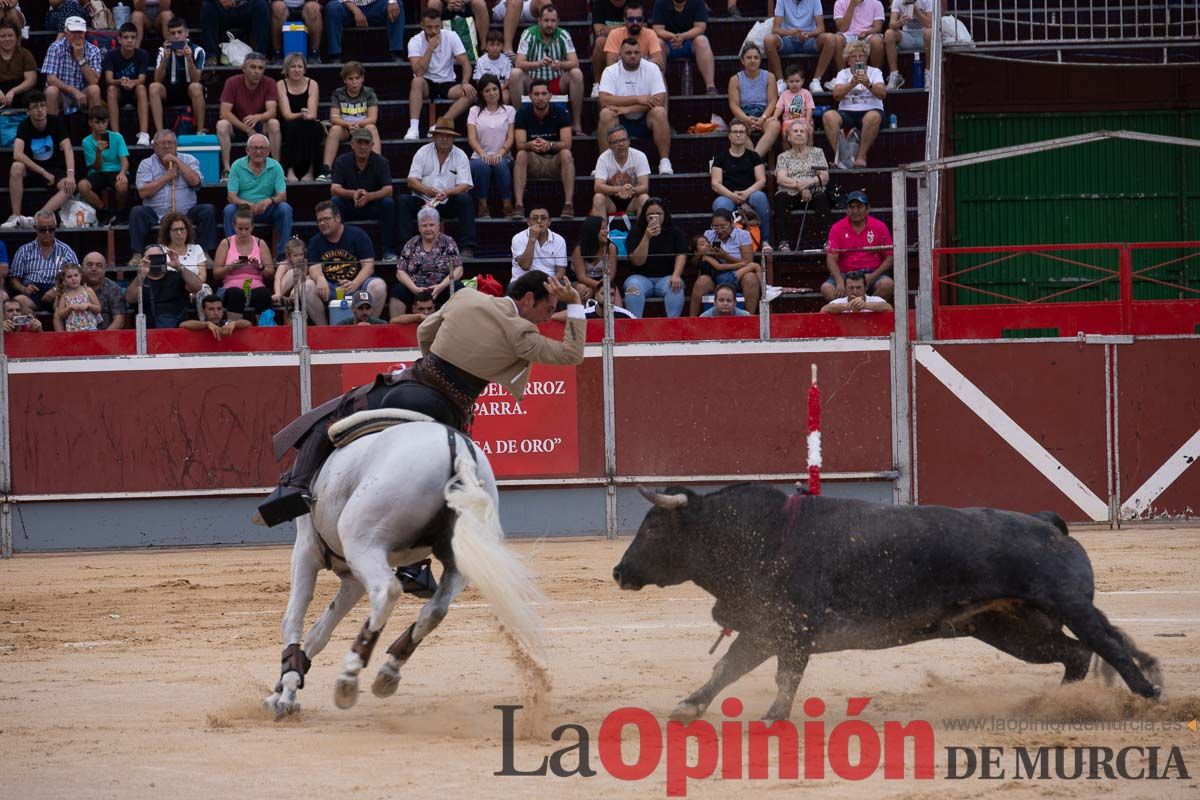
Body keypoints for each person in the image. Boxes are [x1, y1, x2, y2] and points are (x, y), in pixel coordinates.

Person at [256, 270, 586, 528]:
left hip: (411, 386)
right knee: (448, 487)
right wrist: (574, 304)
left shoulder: (466, 298)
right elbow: (572, 354)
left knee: (337, 414)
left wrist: (433, 367)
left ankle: (295, 486)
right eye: (549, 307)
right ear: (528, 299)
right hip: (449, 411)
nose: (548, 316)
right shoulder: (522, 334)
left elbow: (424, 332)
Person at [130, 130, 219, 261]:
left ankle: (205, 253)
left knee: (208, 210)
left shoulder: (189, 159)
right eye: (162, 143)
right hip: (156, 213)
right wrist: (166, 177)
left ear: (176, 145)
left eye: (170, 143)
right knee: (137, 212)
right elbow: (143, 192)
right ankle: (137, 254)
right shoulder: (146, 164)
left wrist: (177, 162)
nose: (166, 146)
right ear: (155, 147)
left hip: (186, 213)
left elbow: (196, 182)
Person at [399, 116, 477, 258]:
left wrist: (447, 192)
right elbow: (411, 180)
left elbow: (465, 184)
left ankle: (467, 246)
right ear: (434, 137)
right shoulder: (422, 152)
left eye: (448, 136)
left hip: (447, 202)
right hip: (423, 201)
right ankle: (407, 247)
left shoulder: (460, 155)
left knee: (465, 199)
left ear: (453, 138)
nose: (445, 139)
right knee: (403, 201)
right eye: (441, 135)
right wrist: (427, 191)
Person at [596, 37, 672, 174]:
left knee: (660, 112)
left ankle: (664, 162)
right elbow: (604, 100)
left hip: (645, 119)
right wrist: (638, 99)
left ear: (641, 54)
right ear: (620, 54)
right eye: (628, 53)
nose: (633, 56)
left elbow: (660, 100)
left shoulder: (652, 68)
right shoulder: (610, 71)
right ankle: (604, 163)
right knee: (606, 114)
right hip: (620, 121)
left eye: (636, 53)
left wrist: (628, 108)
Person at [303, 200, 386, 324]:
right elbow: (314, 268)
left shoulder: (357, 235)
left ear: (337, 218)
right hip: (331, 288)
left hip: (358, 286)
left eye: (326, 219)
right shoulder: (315, 241)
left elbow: (369, 267)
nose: (322, 223)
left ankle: (368, 326)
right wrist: (320, 278)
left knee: (378, 285)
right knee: (306, 286)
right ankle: (326, 333)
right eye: (319, 220)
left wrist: (354, 283)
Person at [509, 2, 584, 135]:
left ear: (558, 22)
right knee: (515, 74)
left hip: (556, 81)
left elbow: (575, 62)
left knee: (576, 74)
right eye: (546, 20)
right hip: (533, 81)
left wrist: (560, 64)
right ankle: (518, 121)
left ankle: (577, 124)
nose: (550, 24)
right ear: (539, 21)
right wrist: (538, 64)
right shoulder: (528, 34)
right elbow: (519, 63)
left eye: (553, 21)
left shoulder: (563, 35)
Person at [4, 91, 76, 228]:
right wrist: (42, 172)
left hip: (54, 169)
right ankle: (16, 217)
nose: (40, 110)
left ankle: (40, 216)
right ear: (28, 111)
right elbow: (17, 154)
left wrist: (71, 174)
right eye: (35, 107)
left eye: (43, 105)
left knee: (69, 185)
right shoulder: (24, 126)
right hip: (33, 169)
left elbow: (68, 148)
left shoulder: (55, 122)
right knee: (16, 167)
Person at [405, 8, 474, 137]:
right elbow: (419, 72)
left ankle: (440, 124)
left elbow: (466, 64)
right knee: (416, 81)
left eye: (437, 26)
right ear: (422, 25)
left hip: (447, 83)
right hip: (426, 82)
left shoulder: (451, 36)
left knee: (470, 93)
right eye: (429, 27)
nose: (434, 31)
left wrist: (465, 82)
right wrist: (430, 48)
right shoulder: (415, 41)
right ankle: (414, 129)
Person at [512, 78, 574, 219]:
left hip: (554, 161)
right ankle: (519, 205)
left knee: (566, 153)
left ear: (550, 95)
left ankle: (569, 204)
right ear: (530, 96)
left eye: (544, 94)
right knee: (521, 154)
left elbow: (567, 143)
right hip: (533, 161)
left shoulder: (561, 113)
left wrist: (550, 144)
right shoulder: (522, 113)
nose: (540, 98)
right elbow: (520, 144)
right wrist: (530, 144)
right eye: (536, 94)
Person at [223, 132, 293, 259]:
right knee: (229, 210)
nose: (259, 152)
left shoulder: (276, 166)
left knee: (285, 208)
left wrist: (270, 200)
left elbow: (282, 196)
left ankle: (283, 255)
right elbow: (231, 197)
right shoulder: (237, 165)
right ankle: (232, 252)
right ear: (247, 151)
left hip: (267, 210)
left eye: (262, 148)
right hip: (244, 210)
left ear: (268, 151)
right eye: (255, 148)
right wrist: (246, 204)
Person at [331, 128, 396, 260]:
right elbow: (334, 188)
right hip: (350, 204)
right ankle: (339, 251)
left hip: (373, 206)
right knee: (335, 202)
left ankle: (388, 251)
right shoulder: (342, 161)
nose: (362, 146)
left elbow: (389, 189)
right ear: (352, 145)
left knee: (388, 203)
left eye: (366, 143)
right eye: (359, 142)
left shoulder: (381, 162)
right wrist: (353, 194)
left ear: (372, 145)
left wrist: (369, 196)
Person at [822, 40, 887, 168]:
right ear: (848, 60)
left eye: (861, 56)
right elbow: (836, 95)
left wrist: (868, 83)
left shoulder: (875, 72)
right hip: (847, 112)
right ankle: (842, 158)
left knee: (872, 117)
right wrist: (851, 84)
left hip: (871, 109)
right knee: (829, 116)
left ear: (866, 58)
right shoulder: (843, 73)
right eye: (853, 56)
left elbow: (882, 94)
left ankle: (861, 157)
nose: (857, 59)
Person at [390, 206, 464, 316]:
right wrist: (414, 289)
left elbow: (458, 269)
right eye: (424, 225)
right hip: (416, 289)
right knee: (398, 291)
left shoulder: (448, 242)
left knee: (459, 289)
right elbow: (400, 272)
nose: (428, 229)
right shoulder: (412, 243)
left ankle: (457, 327)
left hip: (441, 288)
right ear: (419, 228)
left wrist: (441, 286)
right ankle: (395, 328)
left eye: (431, 225)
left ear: (438, 226)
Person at [823, 190, 895, 301]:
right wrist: (839, 281)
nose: (855, 210)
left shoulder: (880, 226)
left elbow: (889, 257)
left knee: (887, 284)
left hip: (872, 272)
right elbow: (831, 258)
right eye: (851, 207)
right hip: (845, 274)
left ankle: (868, 310)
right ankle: (847, 314)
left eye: (859, 206)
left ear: (868, 209)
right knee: (827, 288)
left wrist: (873, 275)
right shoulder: (837, 228)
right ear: (846, 210)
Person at [711, 119, 772, 250]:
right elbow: (715, 183)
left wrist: (746, 193)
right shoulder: (720, 157)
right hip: (728, 194)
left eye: (741, 132)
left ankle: (765, 241)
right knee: (720, 204)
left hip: (750, 193)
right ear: (729, 136)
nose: (738, 135)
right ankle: (726, 243)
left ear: (746, 135)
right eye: (735, 132)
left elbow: (761, 180)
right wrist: (732, 195)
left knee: (760, 197)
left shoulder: (754, 156)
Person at [216, 52, 280, 178]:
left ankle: (276, 167)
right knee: (222, 124)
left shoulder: (269, 82)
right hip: (238, 126)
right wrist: (247, 129)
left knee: (274, 123)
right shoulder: (232, 82)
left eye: (260, 68)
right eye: (253, 67)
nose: (257, 71)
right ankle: (227, 169)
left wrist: (258, 117)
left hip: (259, 125)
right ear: (243, 68)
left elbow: (272, 112)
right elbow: (224, 112)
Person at [689, 209, 759, 316]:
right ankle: (692, 321)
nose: (719, 230)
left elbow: (748, 262)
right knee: (702, 281)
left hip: (739, 274)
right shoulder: (708, 234)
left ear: (732, 223)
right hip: (716, 274)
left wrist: (726, 257)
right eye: (715, 227)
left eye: (723, 226)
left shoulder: (743, 235)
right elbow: (699, 257)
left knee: (751, 278)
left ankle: (749, 318)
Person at [624, 198, 686, 318]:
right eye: (650, 214)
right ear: (644, 216)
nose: (654, 216)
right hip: (640, 277)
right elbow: (637, 261)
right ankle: (635, 325)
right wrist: (647, 237)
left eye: (658, 214)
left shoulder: (675, 232)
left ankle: (672, 325)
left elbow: (681, 255)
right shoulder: (635, 232)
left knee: (676, 287)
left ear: (664, 214)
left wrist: (676, 275)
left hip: (666, 277)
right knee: (632, 287)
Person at [7, 210, 79, 314]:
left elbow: (76, 277)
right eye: (42, 229)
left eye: (51, 229)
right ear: (35, 228)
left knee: (65, 303)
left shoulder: (66, 250)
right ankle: (35, 328)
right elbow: (13, 279)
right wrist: (23, 289)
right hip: (32, 292)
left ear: (56, 227)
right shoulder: (24, 250)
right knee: (19, 301)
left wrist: (56, 290)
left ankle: (60, 330)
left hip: (58, 291)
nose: (47, 233)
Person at [773, 118, 829, 250]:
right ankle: (783, 242)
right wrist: (801, 187)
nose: (799, 134)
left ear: (807, 136)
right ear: (789, 137)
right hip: (790, 193)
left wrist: (808, 184)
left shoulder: (817, 152)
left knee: (821, 197)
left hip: (814, 193)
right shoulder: (783, 157)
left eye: (802, 131)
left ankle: (827, 241)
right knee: (780, 198)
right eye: (795, 131)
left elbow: (824, 177)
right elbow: (781, 179)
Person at [319, 61, 380, 180]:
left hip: (363, 127)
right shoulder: (338, 93)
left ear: (362, 78)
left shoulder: (369, 92)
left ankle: (377, 167)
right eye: (350, 78)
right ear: (344, 80)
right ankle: (326, 170)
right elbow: (334, 117)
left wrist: (357, 125)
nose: (354, 82)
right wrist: (348, 125)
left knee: (372, 128)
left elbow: (373, 118)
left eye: (357, 78)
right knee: (335, 129)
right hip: (345, 128)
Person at [214, 203, 276, 320]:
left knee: (263, 294)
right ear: (234, 226)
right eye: (240, 228)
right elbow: (216, 274)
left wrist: (259, 267)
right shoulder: (225, 243)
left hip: (256, 285)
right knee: (236, 295)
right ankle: (233, 329)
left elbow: (270, 272)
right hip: (231, 287)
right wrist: (230, 267)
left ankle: (264, 329)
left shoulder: (260, 243)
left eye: (246, 229)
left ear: (252, 227)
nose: (243, 232)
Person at [467, 74, 516, 220]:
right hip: (480, 155)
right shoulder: (474, 111)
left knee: (500, 164)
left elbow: (511, 137)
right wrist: (482, 153)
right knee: (482, 166)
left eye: (495, 89)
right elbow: (472, 137)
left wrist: (501, 152)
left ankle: (507, 204)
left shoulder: (509, 110)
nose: (492, 93)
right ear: (481, 93)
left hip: (504, 155)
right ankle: (482, 206)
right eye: (487, 90)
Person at [150, 16, 207, 136]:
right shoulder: (162, 50)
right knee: (154, 87)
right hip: (170, 89)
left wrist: (189, 59)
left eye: (180, 32)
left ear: (186, 33)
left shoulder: (198, 51)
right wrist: (165, 59)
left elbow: (196, 79)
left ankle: (200, 131)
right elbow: (157, 79)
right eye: (173, 33)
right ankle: (159, 133)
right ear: (168, 35)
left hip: (190, 90)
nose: (176, 36)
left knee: (196, 87)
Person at [764, 0, 834, 96]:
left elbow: (821, 28)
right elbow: (775, 29)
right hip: (787, 40)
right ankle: (780, 81)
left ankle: (816, 80)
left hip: (809, 40)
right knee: (769, 40)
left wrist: (809, 34)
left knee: (830, 39)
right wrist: (790, 33)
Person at [125, 244, 204, 328]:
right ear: (144, 260)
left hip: (177, 329)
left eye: (159, 257)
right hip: (149, 331)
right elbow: (130, 299)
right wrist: (141, 275)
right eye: (151, 258)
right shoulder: (139, 280)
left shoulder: (176, 276)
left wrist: (179, 267)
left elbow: (197, 287)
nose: (155, 261)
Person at [78, 105, 130, 224]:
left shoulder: (117, 137)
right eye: (97, 122)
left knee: (122, 185)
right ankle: (103, 210)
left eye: (104, 122)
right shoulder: (86, 141)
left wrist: (122, 173)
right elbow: (97, 167)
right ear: (90, 123)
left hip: (116, 170)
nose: (101, 125)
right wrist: (99, 151)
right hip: (98, 172)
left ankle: (120, 213)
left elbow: (124, 160)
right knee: (82, 186)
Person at [650, 0, 716, 95]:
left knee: (702, 40)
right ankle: (659, 87)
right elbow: (657, 29)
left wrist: (683, 36)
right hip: (669, 43)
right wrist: (673, 37)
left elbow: (700, 27)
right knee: (658, 42)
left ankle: (711, 86)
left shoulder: (698, 2)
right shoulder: (660, 2)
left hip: (690, 42)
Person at [41, 15, 102, 116]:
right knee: (51, 91)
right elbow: (51, 79)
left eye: (80, 32)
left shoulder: (93, 50)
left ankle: (95, 130)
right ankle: (53, 129)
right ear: (66, 32)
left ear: (85, 33)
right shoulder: (55, 47)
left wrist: (80, 58)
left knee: (95, 89)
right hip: (62, 94)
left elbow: (94, 80)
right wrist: (73, 91)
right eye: (74, 32)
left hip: (83, 93)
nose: (77, 35)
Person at [277, 54, 324, 182]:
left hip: (308, 122)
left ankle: (311, 171)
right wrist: (301, 114)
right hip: (289, 123)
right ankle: (290, 169)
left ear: (304, 69)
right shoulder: (281, 84)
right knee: (293, 126)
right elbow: (287, 115)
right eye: (293, 67)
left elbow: (312, 114)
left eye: (300, 66)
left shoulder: (312, 83)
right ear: (286, 69)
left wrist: (305, 115)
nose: (297, 70)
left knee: (314, 127)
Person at [728, 42, 780, 158]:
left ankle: (754, 160)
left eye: (756, 57)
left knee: (775, 125)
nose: (752, 60)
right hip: (744, 114)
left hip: (764, 114)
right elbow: (734, 105)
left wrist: (763, 118)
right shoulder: (735, 79)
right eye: (749, 57)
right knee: (738, 129)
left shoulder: (769, 77)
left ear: (760, 60)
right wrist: (746, 119)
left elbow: (772, 101)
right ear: (742, 60)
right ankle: (755, 162)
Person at [102, 22, 151, 146]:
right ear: (119, 39)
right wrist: (122, 82)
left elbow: (142, 79)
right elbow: (108, 79)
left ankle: (144, 134)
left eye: (133, 37)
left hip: (134, 92)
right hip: (119, 91)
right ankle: (115, 135)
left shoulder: (142, 54)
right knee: (111, 89)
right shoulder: (111, 55)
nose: (129, 41)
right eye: (126, 37)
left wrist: (132, 83)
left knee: (141, 88)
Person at [590, 123, 649, 219]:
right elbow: (598, 187)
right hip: (611, 202)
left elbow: (644, 187)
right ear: (610, 145)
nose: (621, 144)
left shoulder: (640, 156)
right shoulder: (603, 158)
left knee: (644, 198)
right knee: (598, 198)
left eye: (623, 140)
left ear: (629, 141)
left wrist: (630, 190)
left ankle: (641, 233)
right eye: (616, 142)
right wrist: (619, 189)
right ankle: (602, 232)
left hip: (632, 199)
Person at [325, 0, 406, 64]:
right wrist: (356, 10)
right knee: (332, 8)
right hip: (349, 7)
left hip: (376, 5)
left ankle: (396, 53)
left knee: (396, 4)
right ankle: (335, 56)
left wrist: (392, 1)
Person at [603, 1, 663, 74]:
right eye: (631, 19)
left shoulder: (650, 34)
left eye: (639, 19)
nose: (635, 22)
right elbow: (611, 66)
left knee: (659, 74)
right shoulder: (614, 34)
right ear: (625, 20)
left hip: (644, 75)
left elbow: (659, 64)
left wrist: (629, 62)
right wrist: (647, 62)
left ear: (643, 20)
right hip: (621, 76)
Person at [510, 205, 567, 283]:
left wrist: (548, 284)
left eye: (543, 218)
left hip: (550, 281)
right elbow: (525, 266)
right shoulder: (518, 238)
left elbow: (560, 271)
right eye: (535, 218)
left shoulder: (559, 240)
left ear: (549, 222)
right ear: (528, 222)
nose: (539, 221)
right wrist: (532, 239)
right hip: (523, 281)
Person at [884, 0, 933, 89]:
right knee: (889, 34)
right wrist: (900, 22)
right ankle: (895, 75)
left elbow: (930, 24)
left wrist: (916, 11)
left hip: (923, 36)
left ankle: (929, 73)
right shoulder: (898, 1)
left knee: (929, 33)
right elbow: (891, 24)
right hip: (907, 36)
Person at [572, 215, 619, 305]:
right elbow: (581, 276)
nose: (607, 231)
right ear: (593, 231)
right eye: (603, 229)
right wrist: (596, 287)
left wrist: (595, 288)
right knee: (582, 289)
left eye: (606, 228)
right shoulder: (579, 249)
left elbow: (611, 276)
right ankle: (581, 317)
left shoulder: (611, 248)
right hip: (582, 281)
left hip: (605, 281)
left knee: (612, 294)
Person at [157, 211, 212, 288]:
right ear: (168, 232)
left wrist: (190, 286)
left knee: (205, 288)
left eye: (182, 229)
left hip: (193, 288)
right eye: (175, 230)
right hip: (169, 289)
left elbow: (202, 275)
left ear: (187, 230)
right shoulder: (160, 250)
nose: (179, 233)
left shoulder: (197, 249)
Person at [200, 0, 270, 62]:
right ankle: (211, 56)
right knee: (207, 5)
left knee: (261, 4)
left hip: (247, 8)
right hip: (222, 9)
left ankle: (260, 55)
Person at [832, 0, 887, 72]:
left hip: (868, 34)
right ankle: (842, 75)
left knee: (877, 41)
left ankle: (876, 75)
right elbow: (842, 28)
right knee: (837, 40)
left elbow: (878, 27)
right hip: (847, 34)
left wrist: (867, 33)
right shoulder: (840, 3)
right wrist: (852, 5)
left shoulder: (876, 3)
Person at [81, 251, 130, 329]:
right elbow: (58, 316)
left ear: (105, 269)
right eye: (89, 265)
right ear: (82, 268)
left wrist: (103, 339)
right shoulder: (73, 285)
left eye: (99, 265)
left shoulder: (113, 288)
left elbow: (119, 321)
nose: (94, 268)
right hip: (76, 336)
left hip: (106, 335)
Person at [589, 0, 627, 98]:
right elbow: (599, 31)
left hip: (631, 40)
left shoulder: (636, 1)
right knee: (600, 41)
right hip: (609, 42)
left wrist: (610, 29)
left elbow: (641, 26)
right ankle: (597, 84)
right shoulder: (599, 3)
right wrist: (626, 26)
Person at [772, 63, 815, 144]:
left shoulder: (806, 93)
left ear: (802, 81)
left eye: (797, 81)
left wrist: (808, 122)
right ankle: (787, 155)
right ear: (786, 82)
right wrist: (775, 116)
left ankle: (809, 153)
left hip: (803, 120)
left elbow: (809, 109)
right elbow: (779, 107)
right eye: (791, 81)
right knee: (784, 134)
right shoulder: (784, 94)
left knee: (810, 132)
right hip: (789, 121)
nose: (794, 84)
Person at [52, 262, 101, 331]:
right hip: (73, 330)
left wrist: (88, 305)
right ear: (64, 279)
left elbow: (98, 308)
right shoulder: (65, 295)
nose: (73, 278)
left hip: (90, 328)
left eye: (76, 275)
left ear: (80, 276)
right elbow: (61, 314)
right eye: (69, 277)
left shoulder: (88, 290)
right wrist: (70, 307)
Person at [0, 22, 38, 109]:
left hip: (20, 90)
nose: (7, 39)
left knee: (33, 97)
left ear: (16, 38)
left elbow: (31, 80)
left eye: (10, 35)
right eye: (2, 36)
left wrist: (13, 91)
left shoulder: (25, 53)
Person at [180, 293, 252, 338]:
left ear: (223, 311)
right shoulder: (199, 324)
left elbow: (248, 324)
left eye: (219, 309)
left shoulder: (227, 324)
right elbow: (183, 324)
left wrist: (235, 323)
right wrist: (206, 325)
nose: (216, 313)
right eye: (211, 309)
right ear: (203, 311)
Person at [820, 269, 893, 313]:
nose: (854, 291)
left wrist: (865, 305)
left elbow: (889, 308)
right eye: (851, 288)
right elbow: (824, 310)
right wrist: (848, 306)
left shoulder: (875, 300)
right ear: (845, 288)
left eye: (858, 288)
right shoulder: (837, 302)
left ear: (865, 288)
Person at [472, 29, 514, 102]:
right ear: (486, 46)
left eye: (498, 45)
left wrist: (498, 91)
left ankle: (501, 113)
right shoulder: (480, 61)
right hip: (486, 90)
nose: (495, 48)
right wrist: (489, 91)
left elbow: (508, 81)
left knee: (506, 95)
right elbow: (478, 81)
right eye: (492, 45)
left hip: (501, 89)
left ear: (502, 46)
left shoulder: (507, 60)